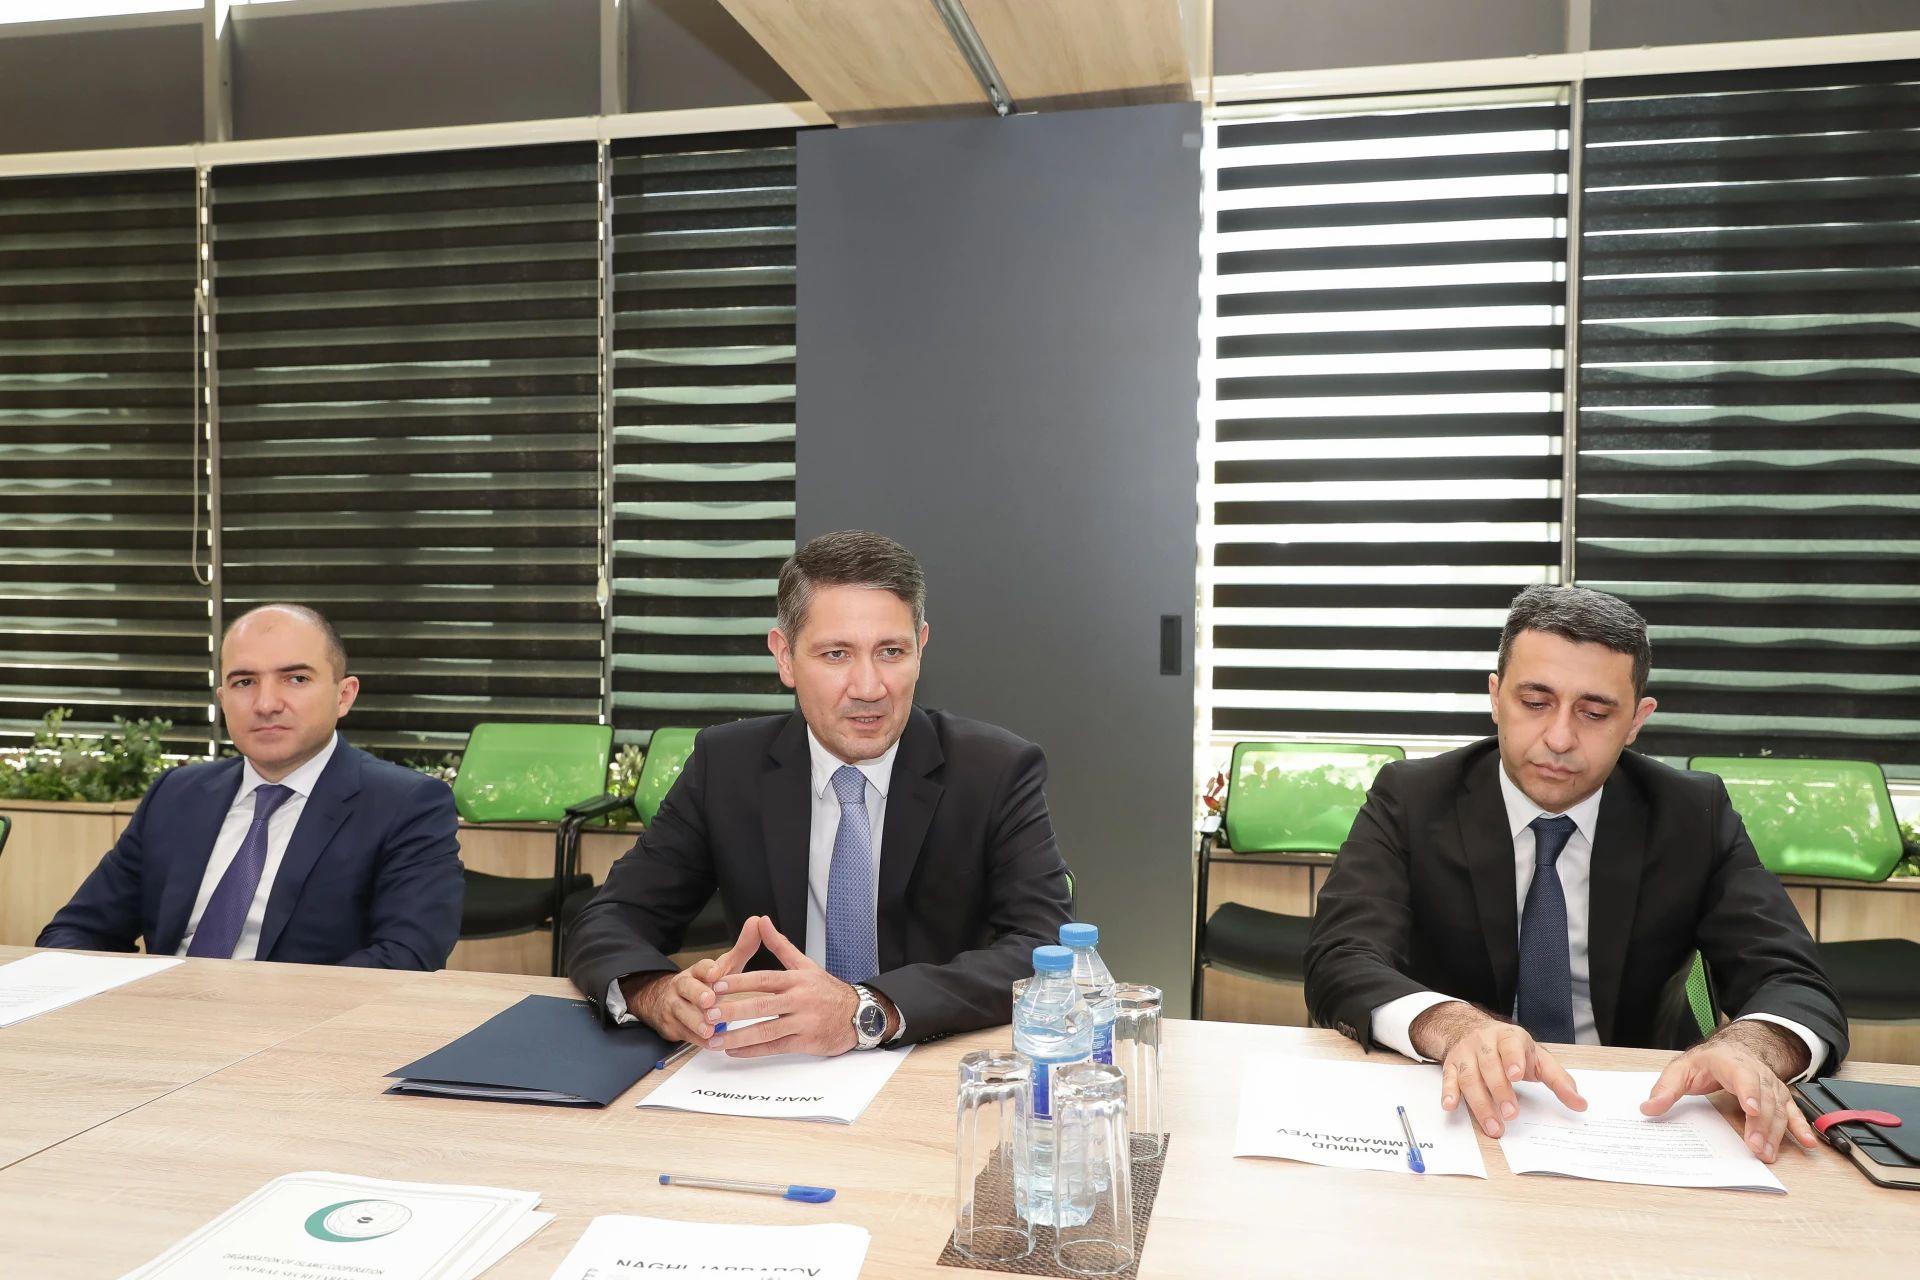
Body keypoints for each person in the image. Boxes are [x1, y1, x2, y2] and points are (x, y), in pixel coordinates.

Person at [1305, 584, 1846, 1165]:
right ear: (1495, 698)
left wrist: (1753, 1046)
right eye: (1535, 702)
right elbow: (1341, 957)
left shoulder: (1691, 813)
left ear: (1636, 720)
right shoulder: (1413, 798)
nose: (1559, 739)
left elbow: (1793, 979)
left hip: (1644, 1111)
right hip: (1453, 1103)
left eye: (1594, 713)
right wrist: (1453, 1026)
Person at [566, 530, 1073, 1055]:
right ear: (785, 657)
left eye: (891, 652)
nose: (869, 688)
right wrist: (655, 994)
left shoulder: (995, 770)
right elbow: (611, 917)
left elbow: (1045, 946)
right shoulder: (728, 766)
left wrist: (866, 1010)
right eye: (836, 654)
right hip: (772, 1064)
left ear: (920, 648)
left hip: (933, 1058)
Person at [38, 604, 463, 970]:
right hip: (165, 1018)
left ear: (344, 695)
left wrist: (256, 1012)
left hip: (304, 1027)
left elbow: (406, 956)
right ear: (223, 699)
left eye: (296, 679)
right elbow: (78, 929)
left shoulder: (406, 804)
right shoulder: (177, 794)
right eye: (244, 682)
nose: (266, 704)